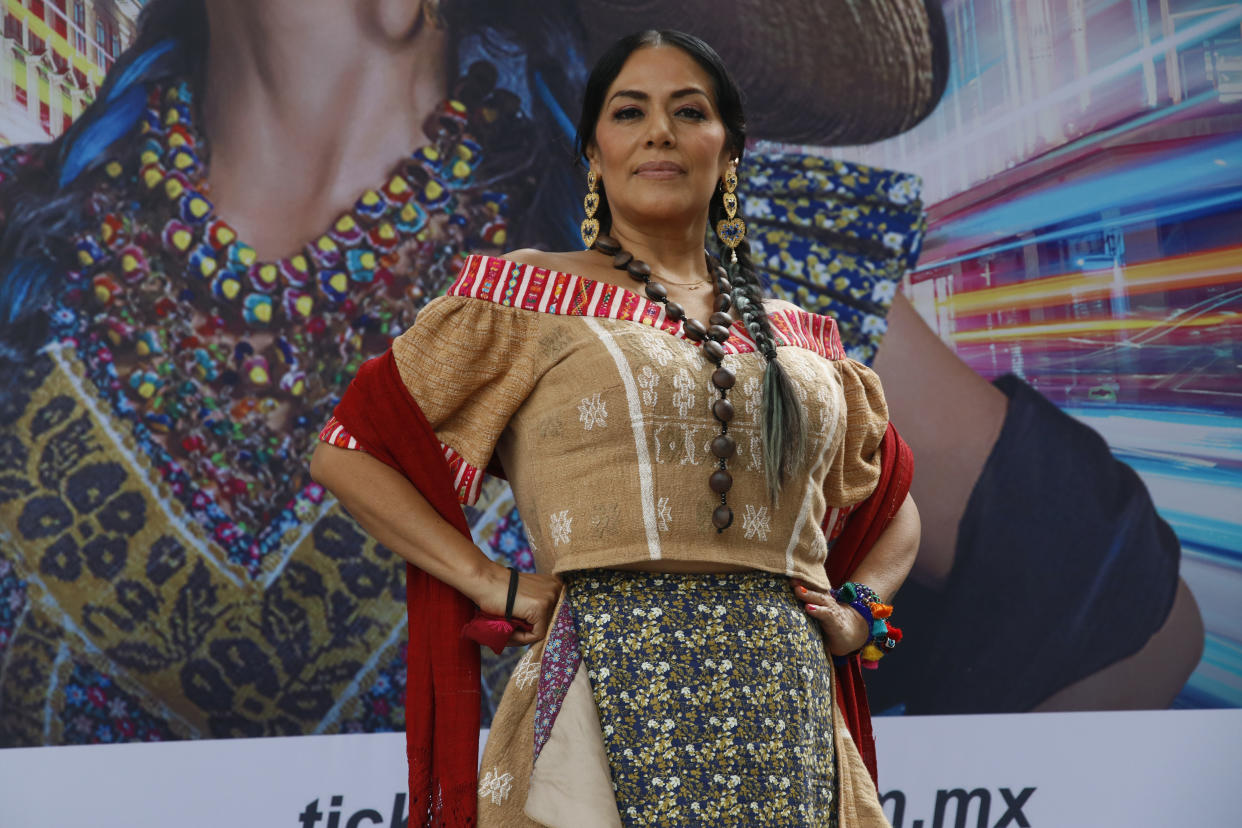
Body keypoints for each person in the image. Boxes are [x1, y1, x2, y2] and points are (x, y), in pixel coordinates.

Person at [312, 29, 920, 825]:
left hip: (782, 701)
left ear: (730, 151)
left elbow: (892, 502)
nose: (659, 132)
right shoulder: (525, 297)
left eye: (688, 111)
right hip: (603, 677)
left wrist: (859, 613)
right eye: (629, 112)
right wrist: (490, 582)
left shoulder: (804, 338)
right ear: (594, 153)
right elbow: (350, 452)